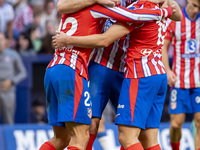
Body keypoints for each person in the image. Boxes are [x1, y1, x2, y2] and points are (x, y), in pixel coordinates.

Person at [40, 1, 173, 150]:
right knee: (90, 129)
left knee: (132, 131)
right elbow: (129, 18)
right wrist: (163, 12)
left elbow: (61, 6)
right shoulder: (99, 7)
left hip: (123, 70)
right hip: (98, 67)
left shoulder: (87, 6)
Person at [162, 0, 200, 149]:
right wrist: (167, 70)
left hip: (198, 81)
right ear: (188, 1)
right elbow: (163, 47)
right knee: (176, 124)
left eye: (199, 8)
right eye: (195, 6)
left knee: (199, 121)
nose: (196, 10)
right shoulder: (175, 19)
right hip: (179, 81)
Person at [0, 32, 27, 124]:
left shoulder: (13, 55)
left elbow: (23, 73)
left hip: (8, 91)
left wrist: (12, 81)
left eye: (1, 39)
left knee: (9, 119)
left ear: (6, 41)